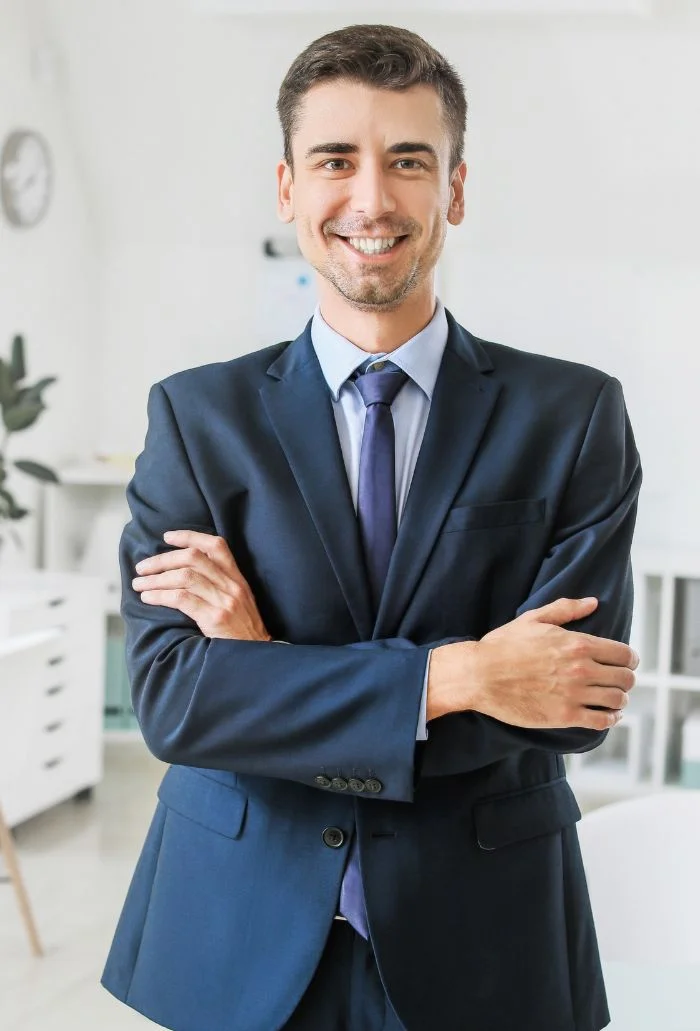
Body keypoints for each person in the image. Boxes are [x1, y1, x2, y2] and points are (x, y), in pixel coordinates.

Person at [101, 22, 641, 1031]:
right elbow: (174, 701)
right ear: (287, 188)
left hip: (484, 937)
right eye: (334, 160)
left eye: (407, 161)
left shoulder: (571, 415)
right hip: (234, 929)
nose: (371, 198)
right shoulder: (196, 415)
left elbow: (570, 701)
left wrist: (263, 676)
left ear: (456, 189)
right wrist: (466, 674)